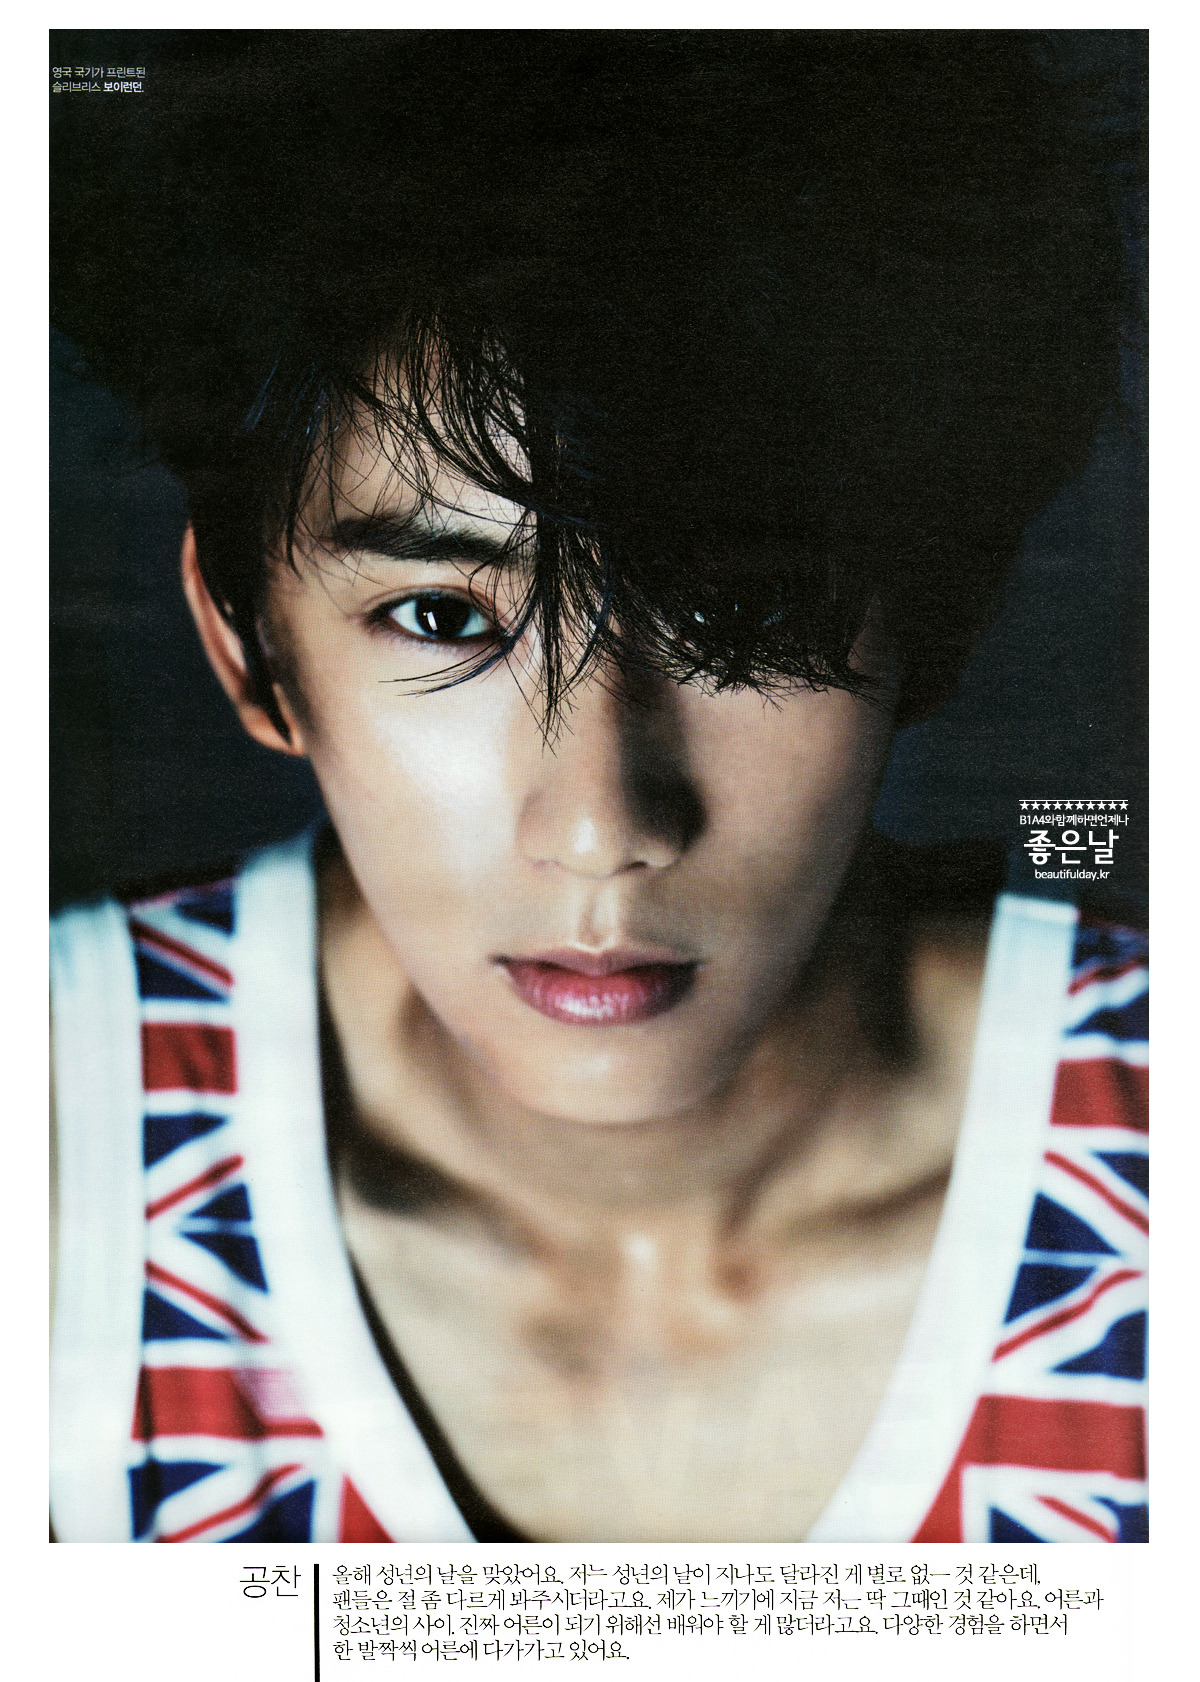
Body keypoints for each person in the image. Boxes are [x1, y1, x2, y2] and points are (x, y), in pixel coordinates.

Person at [50, 31, 1147, 1543]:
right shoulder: (57, 1147)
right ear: (248, 645)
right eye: (442, 616)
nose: (600, 825)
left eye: (739, 612)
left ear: (937, 624)